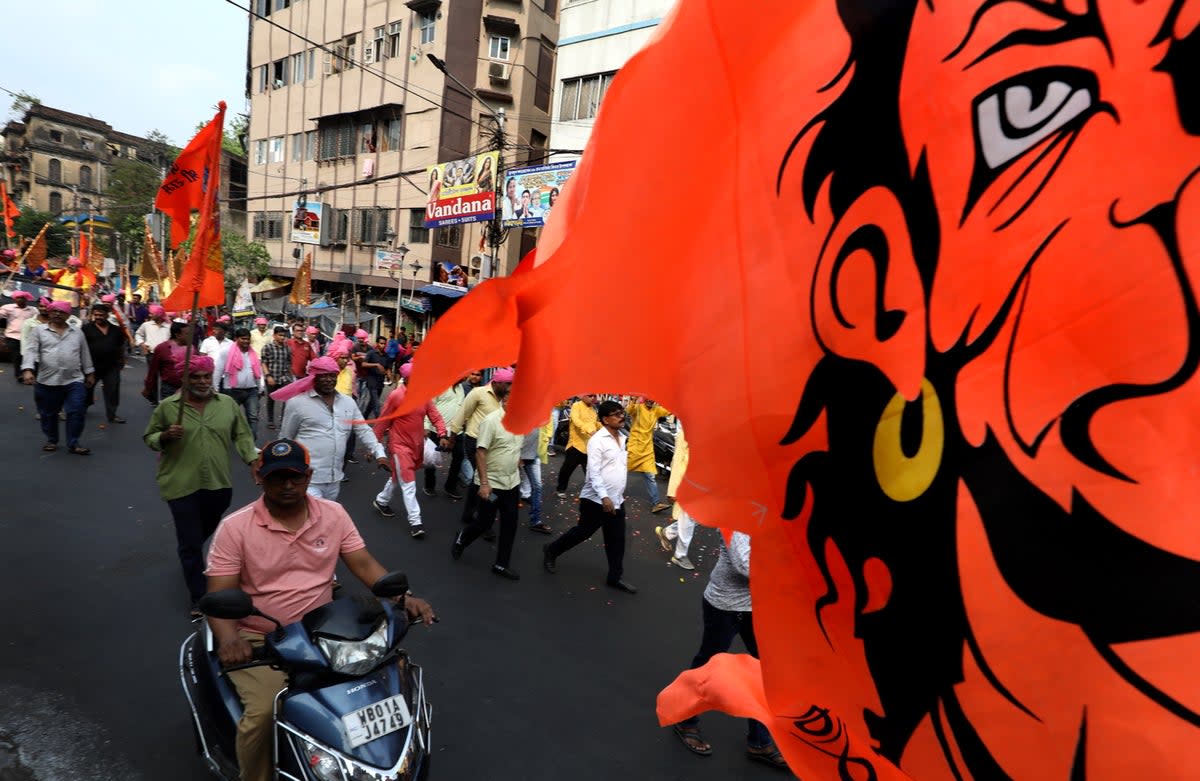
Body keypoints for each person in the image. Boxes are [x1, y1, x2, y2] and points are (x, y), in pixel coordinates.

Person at [205, 437, 436, 781]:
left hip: (325, 634)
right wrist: (228, 639)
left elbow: (364, 565)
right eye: (277, 477)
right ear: (259, 477)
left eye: (295, 476)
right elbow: (219, 597)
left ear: (308, 476)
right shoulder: (235, 528)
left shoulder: (333, 514)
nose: (288, 485)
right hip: (262, 641)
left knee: (387, 684)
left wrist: (404, 597)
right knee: (264, 714)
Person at [144, 354, 259, 616]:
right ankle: (199, 596)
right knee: (191, 543)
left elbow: (242, 435)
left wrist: (252, 460)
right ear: (184, 379)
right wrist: (164, 435)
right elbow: (149, 437)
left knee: (202, 532)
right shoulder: (169, 407)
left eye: (206, 376)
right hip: (180, 483)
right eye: (195, 377)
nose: (202, 381)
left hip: (218, 484)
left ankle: (190, 551)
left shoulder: (227, 404)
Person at [665, 530, 788, 769]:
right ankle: (685, 720)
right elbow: (745, 564)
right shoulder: (734, 516)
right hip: (724, 606)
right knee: (707, 666)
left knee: (766, 670)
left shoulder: (767, 516)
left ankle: (759, 742)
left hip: (757, 606)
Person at [543, 400, 636, 593]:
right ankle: (552, 550)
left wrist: (616, 495)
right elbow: (593, 472)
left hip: (616, 500)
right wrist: (604, 497)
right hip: (596, 500)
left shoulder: (622, 437)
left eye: (622, 413)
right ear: (605, 419)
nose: (621, 416)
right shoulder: (597, 440)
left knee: (617, 539)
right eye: (616, 414)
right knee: (582, 532)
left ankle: (614, 577)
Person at [275, 356, 388, 501]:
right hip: (307, 479)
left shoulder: (348, 403)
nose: (328, 379)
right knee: (315, 519)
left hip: (335, 479)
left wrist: (380, 453)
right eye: (323, 376)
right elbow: (286, 439)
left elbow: (363, 430)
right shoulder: (297, 404)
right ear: (313, 378)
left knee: (326, 519)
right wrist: (284, 473)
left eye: (332, 375)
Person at [451, 393, 524, 579]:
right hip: (491, 485)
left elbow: (514, 447)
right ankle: (462, 539)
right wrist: (484, 484)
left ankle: (501, 564)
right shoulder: (491, 421)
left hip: (512, 484)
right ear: (506, 400)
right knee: (485, 522)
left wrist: (517, 460)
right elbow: (480, 453)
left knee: (511, 523)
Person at [372, 362, 449, 537]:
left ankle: (381, 500)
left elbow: (435, 416)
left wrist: (443, 434)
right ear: (406, 378)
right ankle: (416, 522)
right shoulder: (396, 396)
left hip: (417, 446)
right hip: (399, 446)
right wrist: (373, 444)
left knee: (397, 477)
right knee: (409, 483)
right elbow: (384, 420)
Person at [20, 300, 96, 454]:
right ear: (50, 312)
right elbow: (31, 350)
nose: (57, 314)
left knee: (76, 411)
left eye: (61, 312)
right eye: (54, 311)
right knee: (48, 414)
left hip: (74, 379)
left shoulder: (77, 332)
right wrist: (27, 369)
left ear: (68, 315)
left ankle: (73, 443)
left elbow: (84, 353)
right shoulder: (39, 331)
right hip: (47, 380)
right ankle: (52, 439)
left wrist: (90, 373)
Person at [449, 368, 513, 527]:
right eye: (508, 384)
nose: (510, 388)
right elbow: (461, 414)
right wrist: (451, 438)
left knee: (478, 479)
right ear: (496, 383)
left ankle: (469, 514)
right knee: (485, 478)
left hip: (495, 444)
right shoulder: (478, 393)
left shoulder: (506, 398)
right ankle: (485, 519)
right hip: (475, 441)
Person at [656, 418, 696, 569]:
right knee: (690, 518)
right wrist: (673, 489)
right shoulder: (686, 431)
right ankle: (680, 555)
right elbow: (677, 459)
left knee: (695, 518)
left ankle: (667, 532)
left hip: (702, 484)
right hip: (687, 483)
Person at [81, 302, 129, 424]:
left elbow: (121, 346)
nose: (98, 317)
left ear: (107, 315)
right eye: (96, 315)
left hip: (111, 366)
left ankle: (112, 415)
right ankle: (83, 408)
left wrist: (122, 360)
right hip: (91, 367)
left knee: (112, 390)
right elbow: (81, 347)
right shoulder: (86, 329)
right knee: (86, 389)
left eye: (101, 315)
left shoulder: (116, 330)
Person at [216, 327, 264, 439]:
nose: (246, 341)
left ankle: (251, 444)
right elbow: (218, 370)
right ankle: (226, 439)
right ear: (236, 339)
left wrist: (261, 387)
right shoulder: (226, 352)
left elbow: (257, 371)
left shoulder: (253, 353)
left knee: (253, 417)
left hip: (251, 390)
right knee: (230, 417)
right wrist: (215, 388)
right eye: (243, 339)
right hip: (232, 390)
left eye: (248, 339)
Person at [627, 397, 673, 513]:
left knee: (650, 476)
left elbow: (669, 410)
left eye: (652, 398)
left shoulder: (656, 410)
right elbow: (629, 410)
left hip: (647, 450)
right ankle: (605, 492)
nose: (650, 401)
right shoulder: (637, 408)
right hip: (635, 448)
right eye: (647, 398)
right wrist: (633, 399)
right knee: (619, 471)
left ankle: (656, 503)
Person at [424, 377, 467, 496]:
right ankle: (429, 485)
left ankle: (450, 486)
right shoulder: (438, 385)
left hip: (455, 431)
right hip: (436, 430)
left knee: (459, 457)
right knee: (431, 459)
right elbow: (429, 406)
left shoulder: (460, 388)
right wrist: (426, 426)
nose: (465, 377)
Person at [555, 393, 600, 496]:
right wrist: (589, 430)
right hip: (575, 446)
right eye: (590, 395)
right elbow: (576, 421)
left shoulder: (593, 410)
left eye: (594, 396)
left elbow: (595, 424)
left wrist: (605, 427)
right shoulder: (576, 406)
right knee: (567, 470)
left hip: (589, 446)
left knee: (590, 472)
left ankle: (593, 492)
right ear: (583, 396)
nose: (592, 398)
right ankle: (561, 489)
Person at [518, 416, 554, 534]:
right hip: (513, 454)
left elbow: (545, 423)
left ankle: (536, 521)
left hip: (533, 454)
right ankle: (485, 521)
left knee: (537, 486)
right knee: (503, 489)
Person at [143, 321, 192, 402]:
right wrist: (148, 387)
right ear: (178, 335)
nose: (191, 336)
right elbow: (153, 371)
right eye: (187, 334)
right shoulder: (162, 348)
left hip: (188, 389)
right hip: (169, 389)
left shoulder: (192, 348)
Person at [260, 326, 293, 430]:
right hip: (271, 377)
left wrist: (291, 377)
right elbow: (264, 363)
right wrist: (268, 376)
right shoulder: (267, 347)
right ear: (274, 335)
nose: (283, 337)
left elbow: (289, 363)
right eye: (280, 335)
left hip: (284, 377)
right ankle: (270, 420)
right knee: (271, 399)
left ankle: (283, 420)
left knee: (287, 398)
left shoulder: (287, 348)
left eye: (284, 335)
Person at [1, 290, 37, 382]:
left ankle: (28, 373)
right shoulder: (8, 308)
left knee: (27, 356)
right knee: (17, 355)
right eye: (17, 298)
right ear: (15, 299)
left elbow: (37, 320)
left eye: (22, 298)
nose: (19, 300)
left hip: (27, 337)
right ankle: (19, 375)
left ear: (26, 299)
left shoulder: (33, 310)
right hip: (12, 336)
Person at [200, 321, 233, 389]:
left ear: (224, 331)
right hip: (211, 374)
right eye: (213, 329)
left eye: (217, 329)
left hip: (226, 375)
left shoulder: (231, 343)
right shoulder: (207, 341)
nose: (214, 331)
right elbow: (202, 358)